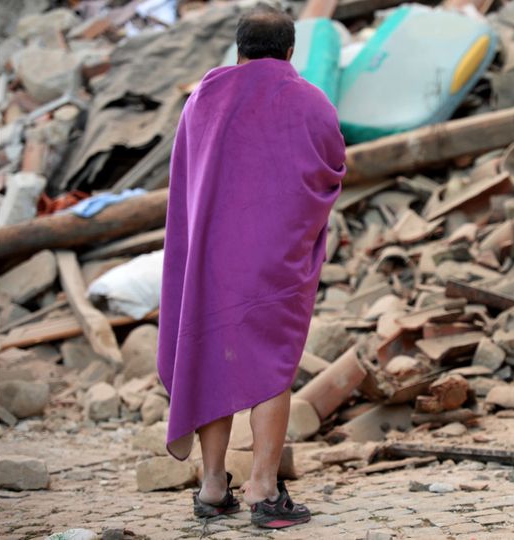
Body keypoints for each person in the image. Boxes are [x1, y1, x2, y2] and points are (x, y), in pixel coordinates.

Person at [155, 2, 346, 529]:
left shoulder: (203, 97)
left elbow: (185, 178)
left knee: (213, 355)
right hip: (273, 261)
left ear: (238, 51)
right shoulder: (309, 99)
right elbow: (331, 167)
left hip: (212, 257)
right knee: (271, 364)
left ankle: (214, 485)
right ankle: (262, 487)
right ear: (290, 51)